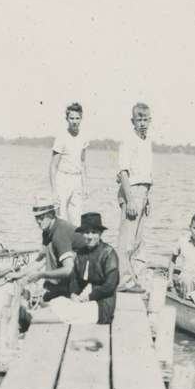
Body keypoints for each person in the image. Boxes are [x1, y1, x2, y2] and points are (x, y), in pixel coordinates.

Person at [28, 212, 120, 325]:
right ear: (82, 234)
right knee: (57, 302)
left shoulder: (108, 253)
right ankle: (31, 315)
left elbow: (110, 286)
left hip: (102, 307)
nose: (90, 236)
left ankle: (28, 318)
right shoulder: (82, 254)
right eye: (86, 233)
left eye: (94, 232)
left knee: (68, 312)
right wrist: (73, 294)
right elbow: (76, 280)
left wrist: (89, 297)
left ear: (100, 234)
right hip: (85, 300)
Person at [116, 102, 154, 292]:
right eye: (139, 120)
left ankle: (133, 277)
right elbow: (123, 173)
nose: (142, 123)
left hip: (143, 192)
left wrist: (147, 199)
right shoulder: (128, 141)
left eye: (145, 119)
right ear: (133, 121)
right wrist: (130, 200)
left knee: (138, 240)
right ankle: (123, 280)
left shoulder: (146, 141)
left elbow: (145, 173)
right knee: (126, 239)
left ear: (150, 120)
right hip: (132, 191)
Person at [20, 195, 85, 302]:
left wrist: (42, 275)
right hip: (76, 267)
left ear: (51, 214)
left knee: (52, 249)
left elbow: (69, 269)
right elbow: (40, 260)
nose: (38, 221)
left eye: (41, 217)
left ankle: (63, 290)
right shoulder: (47, 232)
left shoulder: (59, 234)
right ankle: (56, 288)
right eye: (37, 218)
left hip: (89, 269)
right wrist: (20, 274)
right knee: (49, 250)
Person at [49, 102, 87, 220]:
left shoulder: (84, 137)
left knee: (77, 221)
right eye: (71, 118)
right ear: (67, 119)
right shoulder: (61, 137)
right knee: (61, 218)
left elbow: (83, 163)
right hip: (63, 179)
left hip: (77, 180)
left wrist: (85, 186)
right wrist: (54, 191)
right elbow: (53, 166)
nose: (74, 121)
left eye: (77, 118)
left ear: (81, 118)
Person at [168, 211, 195, 298]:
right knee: (186, 281)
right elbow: (172, 259)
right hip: (185, 278)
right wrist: (169, 278)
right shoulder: (182, 241)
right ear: (190, 227)